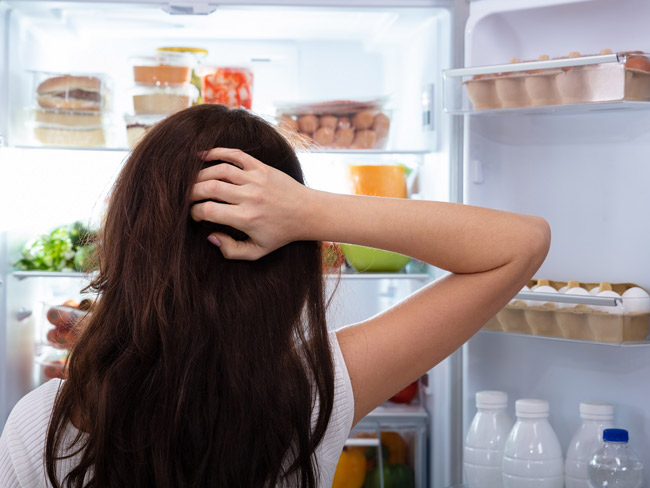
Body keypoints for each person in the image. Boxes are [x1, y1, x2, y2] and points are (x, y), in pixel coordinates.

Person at [0, 104, 550, 488]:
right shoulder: (315, 392)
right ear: (292, 260)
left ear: (127, 241)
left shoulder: (42, 423)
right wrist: (310, 211)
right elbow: (521, 243)